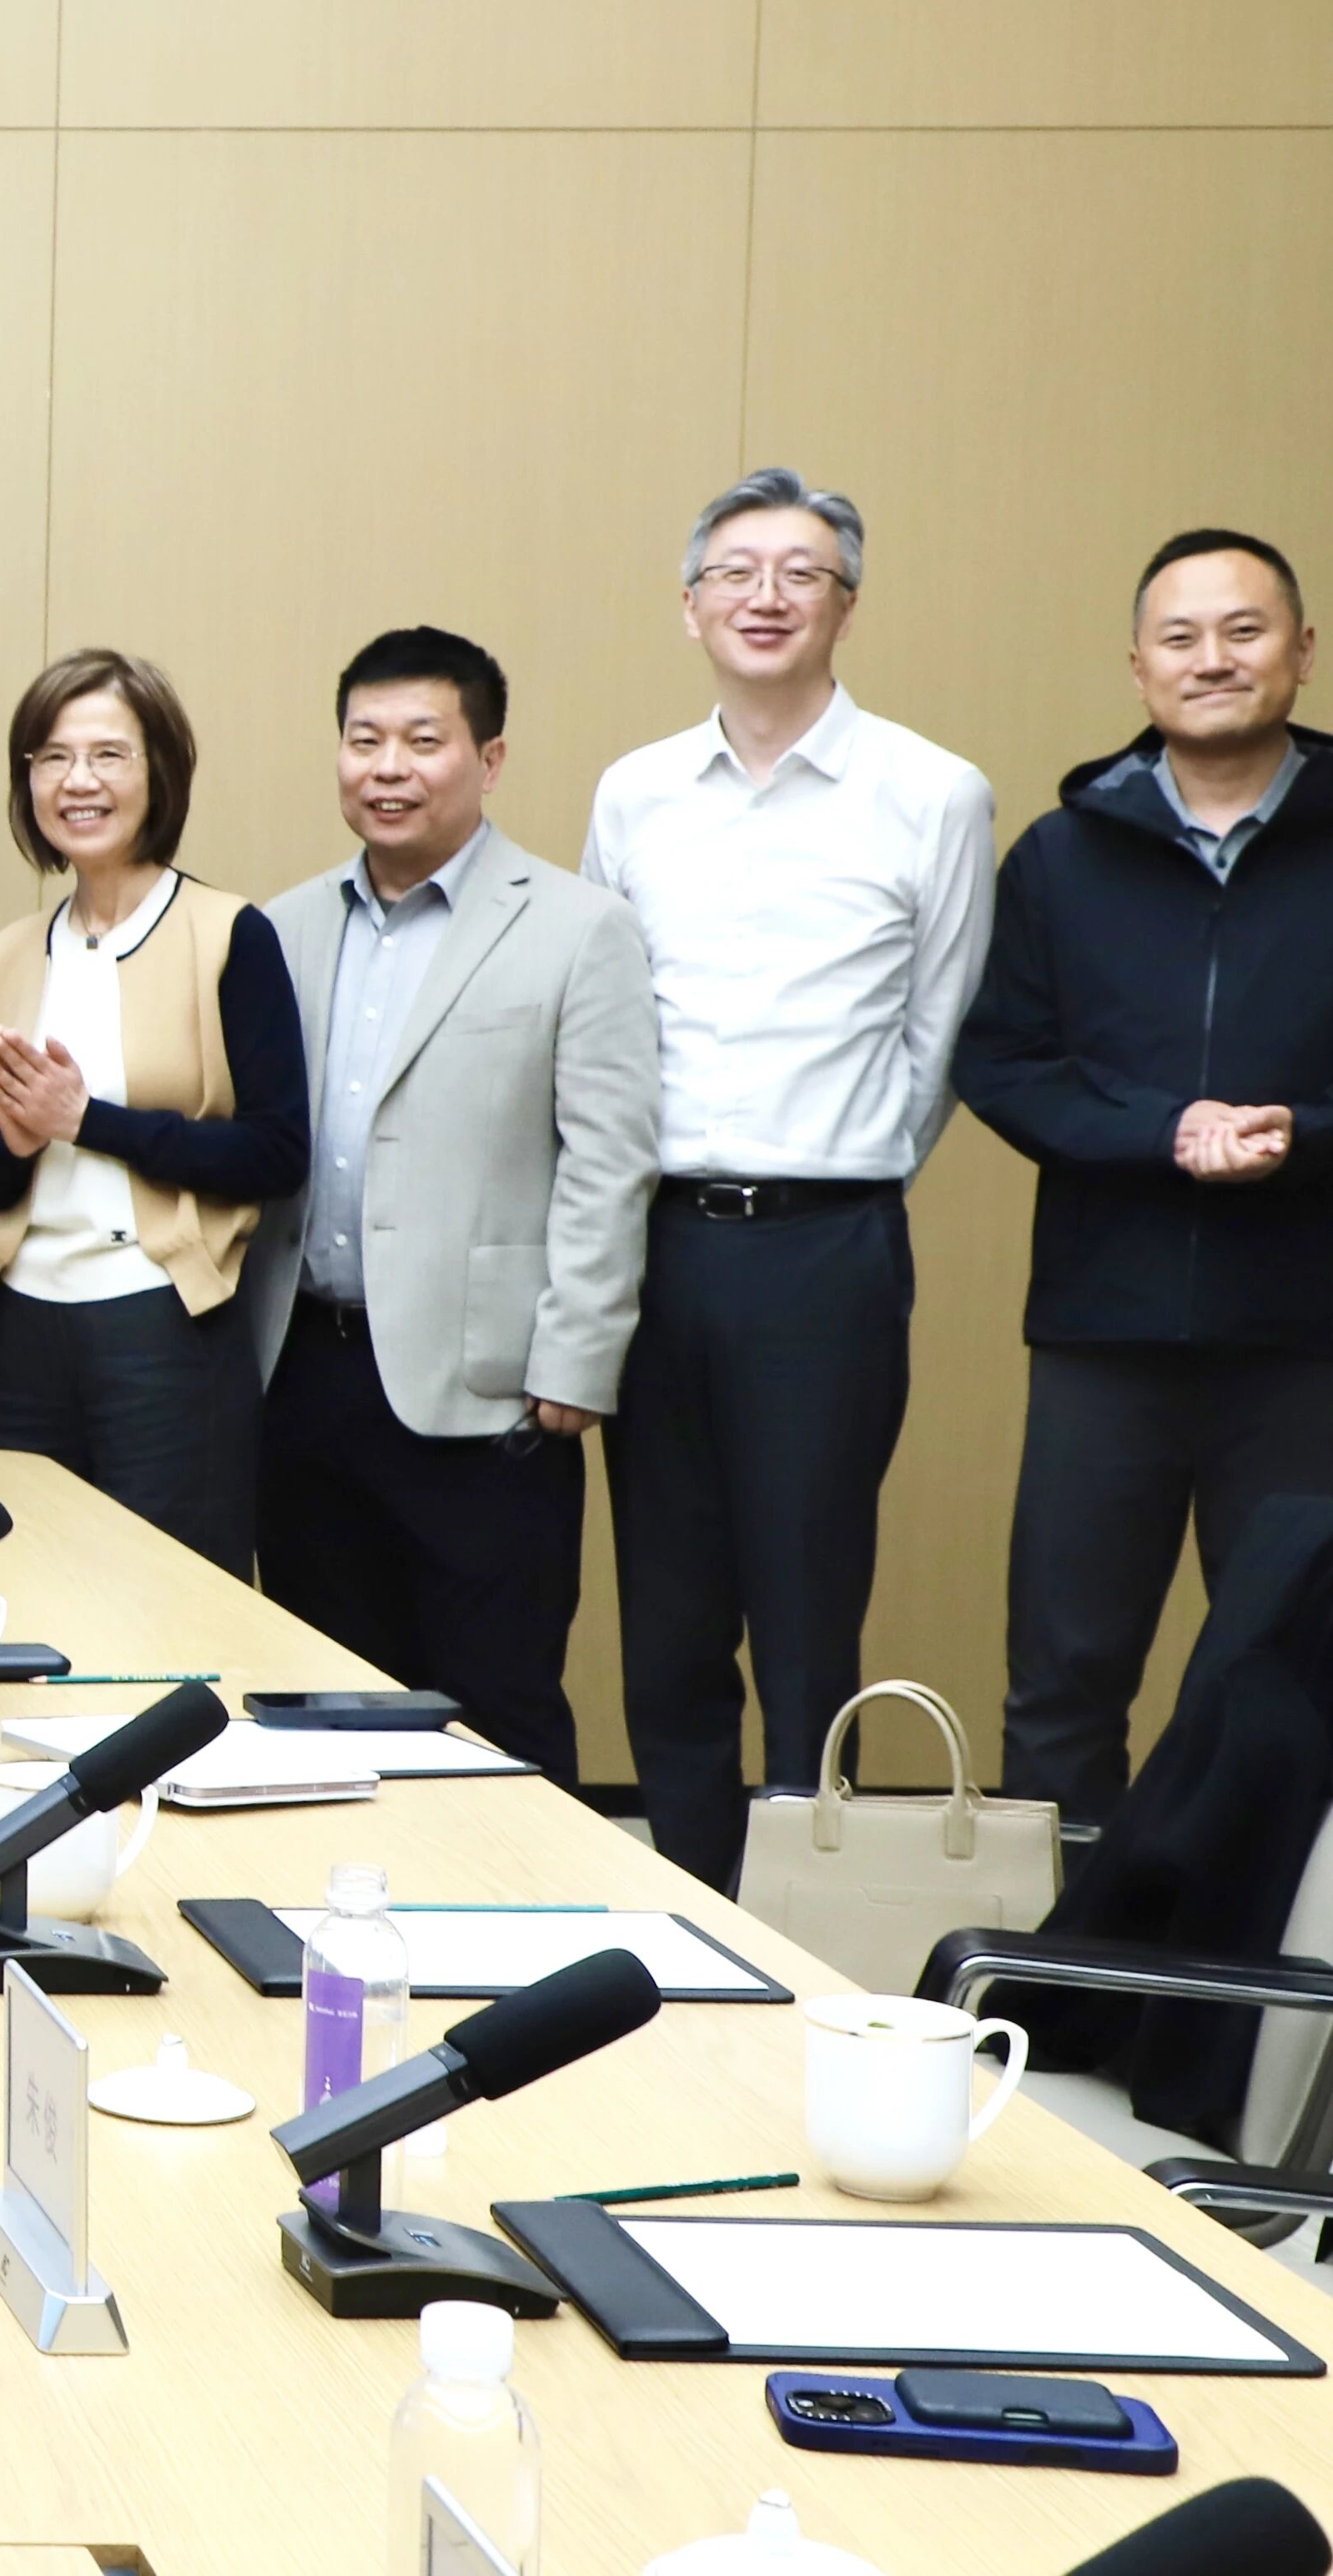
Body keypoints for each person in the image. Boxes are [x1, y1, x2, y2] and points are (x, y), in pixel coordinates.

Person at [580, 470, 995, 1889]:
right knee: (667, 1619)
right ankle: (690, 1904)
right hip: (657, 1242)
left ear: (845, 606)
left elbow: (938, 1038)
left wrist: (840, 1176)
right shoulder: (634, 792)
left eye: (800, 573)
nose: (765, 596)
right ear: (689, 604)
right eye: (736, 571)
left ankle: (806, 1922)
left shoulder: (932, 793)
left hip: (826, 1251)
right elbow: (602, 1026)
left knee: (810, 1617)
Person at [957, 527, 1333, 1828]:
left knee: (1286, 1680)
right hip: (1099, 1334)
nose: (1210, 658)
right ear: (1136, 667)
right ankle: (1068, 1949)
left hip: (1301, 1338)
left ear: (1300, 649)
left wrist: (1298, 1134)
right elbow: (1001, 1062)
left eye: (1242, 629)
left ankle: (1246, 1965)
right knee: (1061, 1681)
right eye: (1179, 637)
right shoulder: (1058, 855)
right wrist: (1161, 1131)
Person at [246, 626, 659, 1783]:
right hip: (305, 1374)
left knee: (498, 1706)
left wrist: (576, 1357)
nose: (388, 767)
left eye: (422, 740)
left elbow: (609, 1158)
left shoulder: (577, 926)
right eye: (363, 739)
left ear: (488, 758)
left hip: (489, 1390)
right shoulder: (282, 927)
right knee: (324, 1706)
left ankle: (520, 1904)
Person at [0, 652, 304, 1579]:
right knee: (44, 1590)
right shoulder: (10, 951)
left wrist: (86, 1121)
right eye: (53, 758)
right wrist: (18, 1142)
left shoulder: (227, 933)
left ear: (159, 773)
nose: (79, 781)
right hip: (27, 1320)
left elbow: (276, 1151)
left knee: (168, 1599)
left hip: (164, 1324)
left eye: (109, 754)